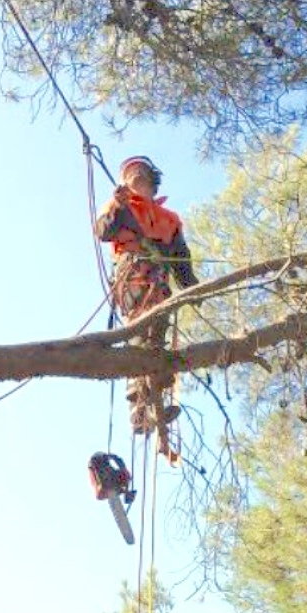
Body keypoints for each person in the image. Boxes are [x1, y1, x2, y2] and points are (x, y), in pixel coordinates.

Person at [95, 156, 198, 434]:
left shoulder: (169, 219)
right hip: (134, 275)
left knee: (157, 334)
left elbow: (181, 259)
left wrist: (191, 286)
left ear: (151, 179)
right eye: (129, 175)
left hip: (159, 280)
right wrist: (118, 205)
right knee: (142, 328)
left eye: (139, 173)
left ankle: (155, 400)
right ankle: (138, 405)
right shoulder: (121, 206)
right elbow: (103, 232)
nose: (134, 177)